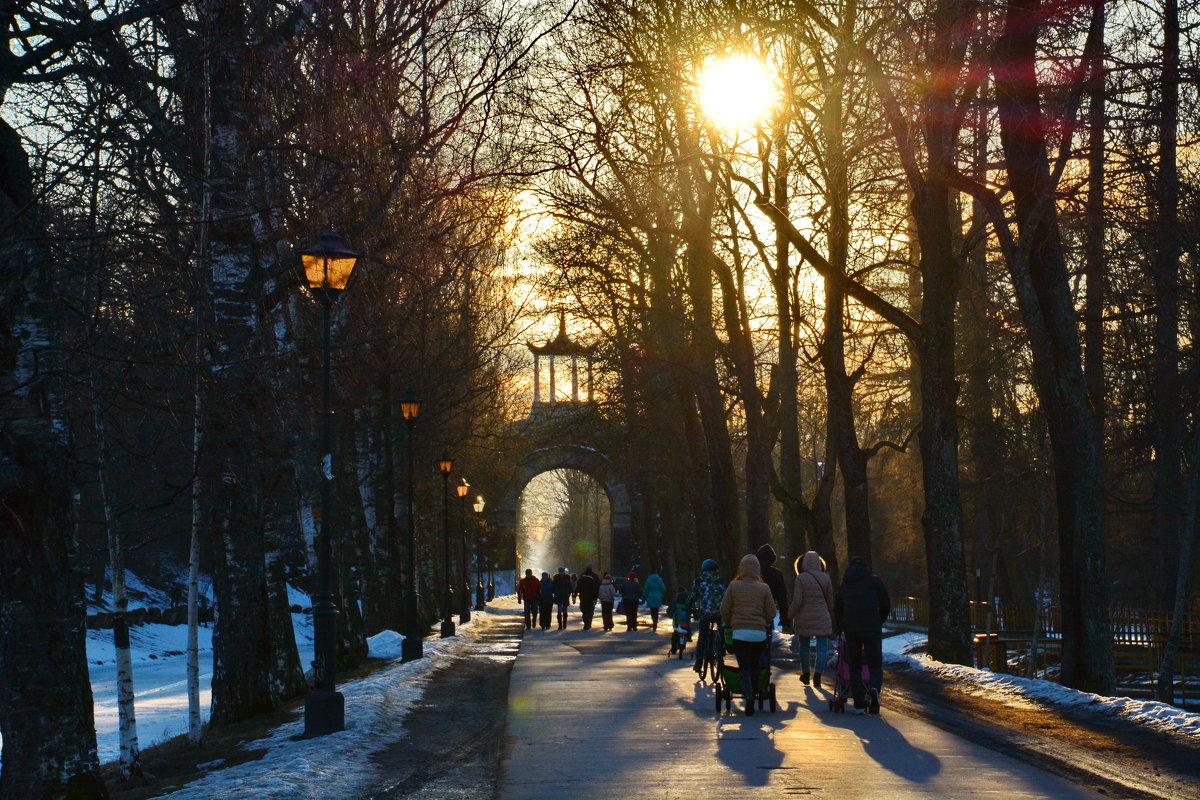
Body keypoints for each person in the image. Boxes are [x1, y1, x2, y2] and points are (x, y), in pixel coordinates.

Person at [720, 554, 775, 715]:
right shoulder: (764, 588)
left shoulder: (733, 586)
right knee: (755, 664)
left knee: (744, 666)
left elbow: (724, 609)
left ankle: (748, 696)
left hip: (740, 634)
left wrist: (730, 623)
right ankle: (757, 689)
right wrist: (763, 621)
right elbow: (771, 612)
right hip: (758, 634)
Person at [835, 556, 891, 714]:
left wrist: (841, 625)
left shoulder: (845, 585)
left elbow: (838, 608)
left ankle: (859, 703)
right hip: (871, 627)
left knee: (854, 665)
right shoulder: (875, 582)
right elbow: (886, 603)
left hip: (851, 628)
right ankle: (874, 690)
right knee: (874, 664)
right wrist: (879, 620)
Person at [788, 550, 834, 687]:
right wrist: (830, 614)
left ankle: (806, 674)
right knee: (822, 647)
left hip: (804, 618)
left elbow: (797, 601)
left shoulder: (801, 578)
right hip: (821, 617)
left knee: (804, 646)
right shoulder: (826, 578)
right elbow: (830, 601)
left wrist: (790, 615)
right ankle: (818, 675)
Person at [756, 544, 789, 631]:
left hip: (749, 613)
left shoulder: (751, 573)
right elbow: (782, 598)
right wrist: (784, 618)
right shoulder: (776, 574)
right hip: (767, 614)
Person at [576, 565, 600, 630]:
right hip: (591, 598)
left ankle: (586, 622)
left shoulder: (581, 577)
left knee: (584, 610)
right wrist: (596, 596)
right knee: (590, 611)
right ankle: (588, 623)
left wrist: (575, 595)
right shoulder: (594, 577)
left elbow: (578, 588)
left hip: (583, 597)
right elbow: (596, 587)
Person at [668, 589, 690, 655]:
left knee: (675, 634)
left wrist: (670, 615)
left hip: (676, 623)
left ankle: (673, 647)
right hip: (685, 623)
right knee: (688, 631)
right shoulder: (687, 604)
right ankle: (688, 637)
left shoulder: (675, 604)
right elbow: (693, 611)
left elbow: (670, 610)